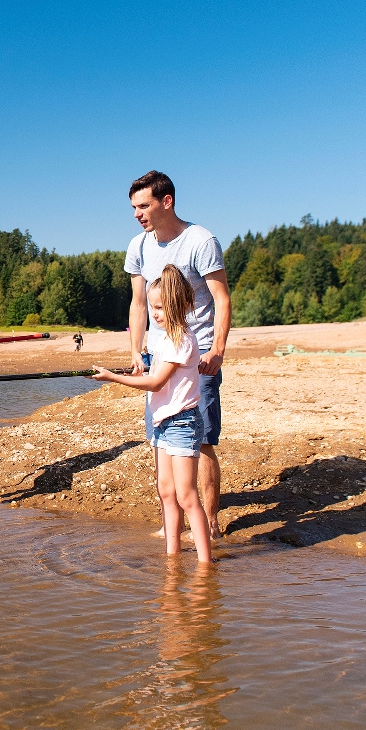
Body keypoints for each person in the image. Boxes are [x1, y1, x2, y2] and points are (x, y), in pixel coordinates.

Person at [124, 170, 232, 537]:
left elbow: (221, 298)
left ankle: (210, 524)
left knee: (201, 440)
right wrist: (136, 351)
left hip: (198, 357)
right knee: (160, 437)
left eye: (143, 206)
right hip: (159, 358)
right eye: (134, 207)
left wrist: (217, 350)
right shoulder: (138, 246)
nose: (137, 214)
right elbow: (139, 303)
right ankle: (172, 524)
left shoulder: (200, 241)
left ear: (166, 201)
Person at [92, 268, 213, 561]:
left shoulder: (181, 339)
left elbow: (157, 383)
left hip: (182, 422)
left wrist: (113, 378)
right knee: (166, 492)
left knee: (186, 495)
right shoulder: (165, 341)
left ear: (178, 305)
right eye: (152, 307)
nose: (154, 314)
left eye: (159, 307)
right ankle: (173, 556)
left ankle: (205, 563)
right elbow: (160, 377)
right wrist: (140, 371)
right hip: (162, 422)